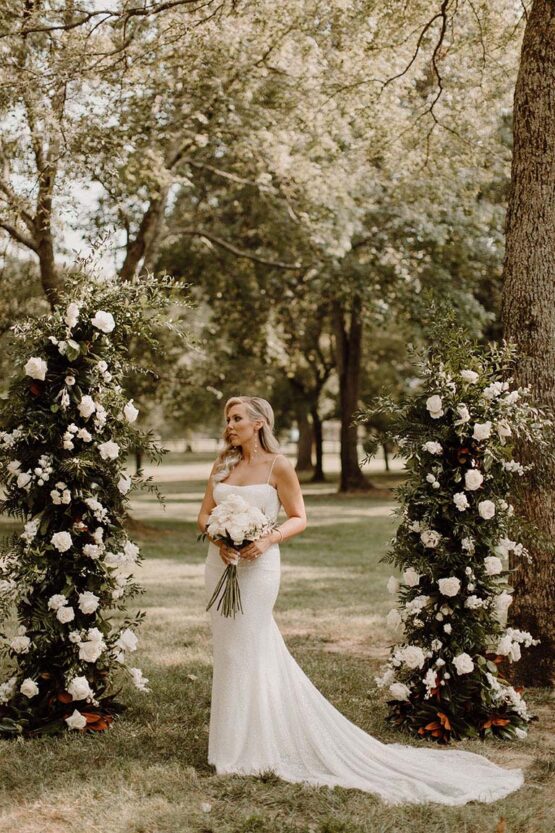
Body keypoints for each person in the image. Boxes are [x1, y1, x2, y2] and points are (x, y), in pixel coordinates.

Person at [197, 395, 524, 805]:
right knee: (229, 651)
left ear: (260, 422)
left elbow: (299, 517)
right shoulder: (222, 465)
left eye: (237, 418)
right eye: (228, 418)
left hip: (259, 568)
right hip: (219, 566)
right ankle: (230, 745)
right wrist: (219, 538)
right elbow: (204, 515)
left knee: (250, 646)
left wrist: (265, 540)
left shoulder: (278, 466)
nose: (230, 425)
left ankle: (253, 745)